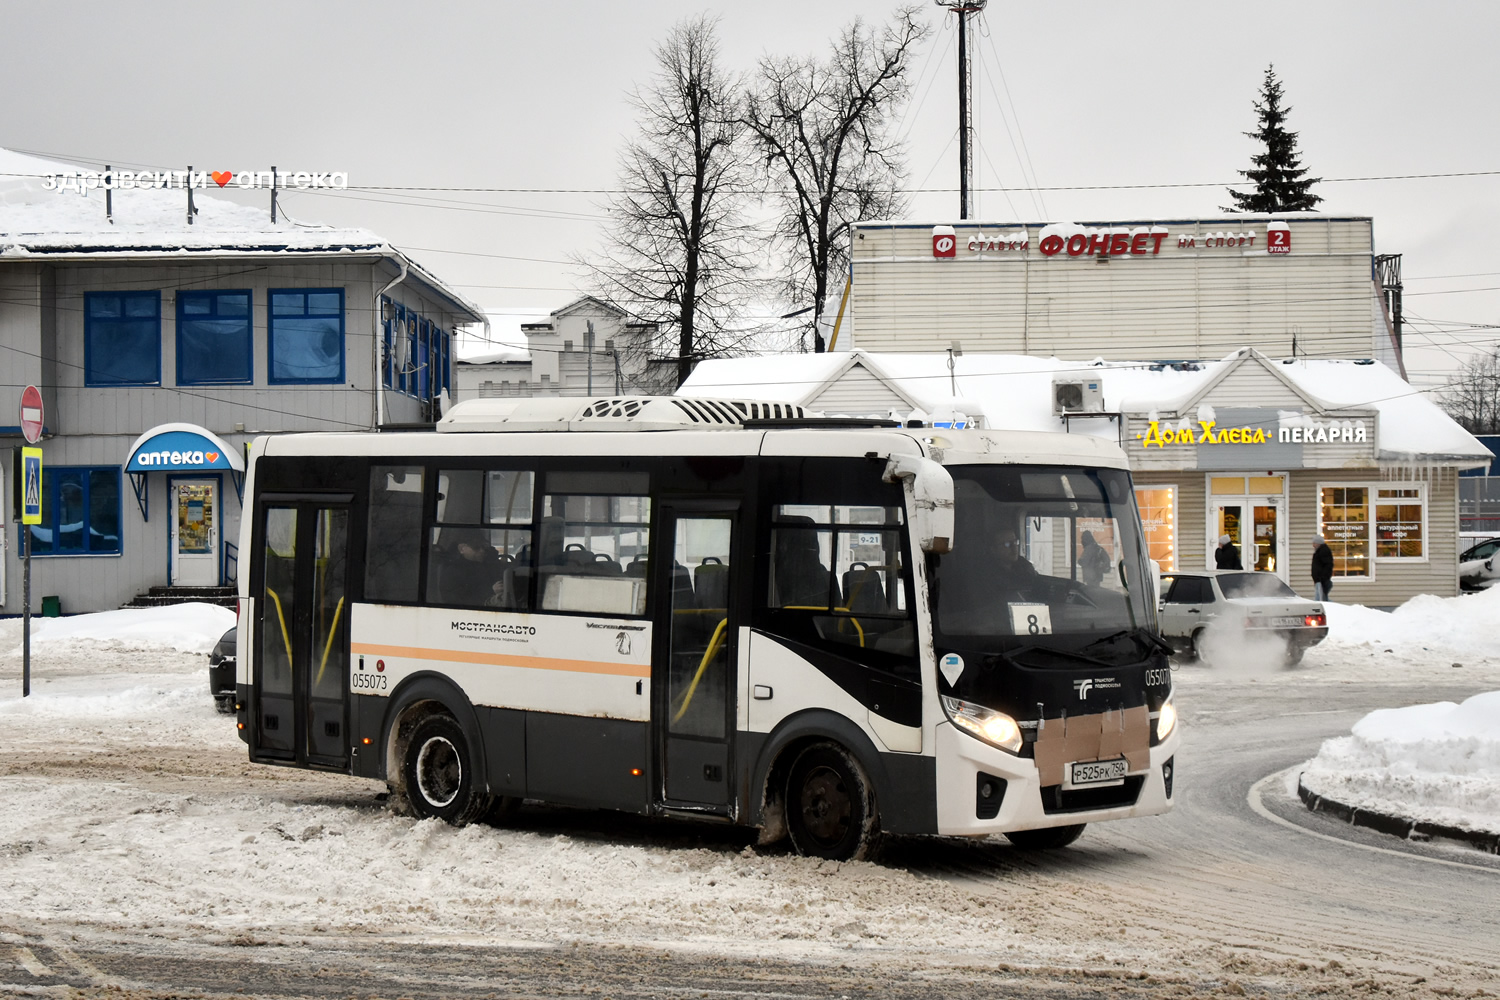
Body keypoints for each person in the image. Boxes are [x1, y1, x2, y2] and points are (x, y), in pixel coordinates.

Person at [1311, 535, 1334, 602]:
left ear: (1318, 543)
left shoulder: (1323, 551)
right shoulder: (1318, 551)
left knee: (1320, 599)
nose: (1313, 545)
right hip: (1319, 580)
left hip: (1321, 580)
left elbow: (1328, 565)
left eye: (1314, 543)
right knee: (1322, 598)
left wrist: (1323, 577)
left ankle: (1333, 608)